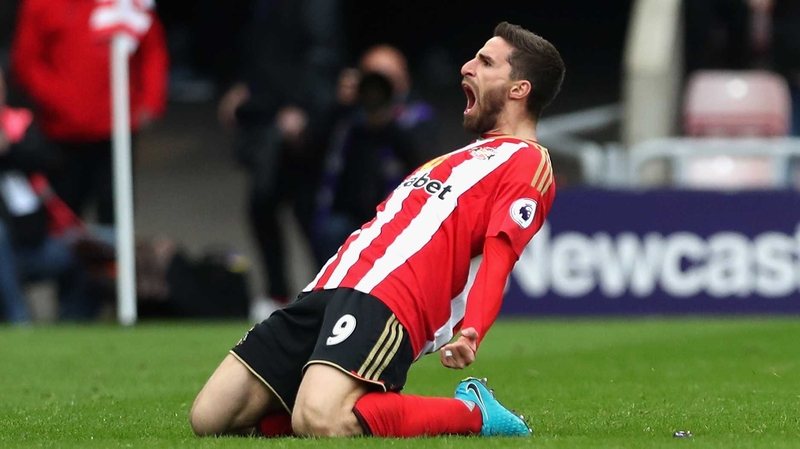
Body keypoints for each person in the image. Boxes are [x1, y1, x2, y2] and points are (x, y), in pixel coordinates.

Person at [190, 22, 564, 439]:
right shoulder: (460, 156)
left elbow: (500, 251)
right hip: (330, 284)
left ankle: (472, 414)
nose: (466, 67)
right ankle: (313, 407)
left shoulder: (530, 162)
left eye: (485, 62)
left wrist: (473, 328)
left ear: (519, 89)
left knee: (322, 419)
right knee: (210, 420)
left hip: (391, 297)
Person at [217, 0, 346, 307]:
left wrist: (305, 108)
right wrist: (244, 87)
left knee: (309, 211)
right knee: (262, 205)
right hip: (269, 113)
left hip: (302, 123)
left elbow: (323, 54)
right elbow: (262, 49)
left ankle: (330, 294)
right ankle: (279, 292)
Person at [10, 0, 168, 226]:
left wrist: (152, 99)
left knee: (117, 211)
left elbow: (152, 47)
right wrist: (62, 100)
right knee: (65, 214)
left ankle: (115, 261)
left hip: (117, 128)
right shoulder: (40, 4)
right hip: (62, 133)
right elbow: (26, 63)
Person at [314, 45, 439, 264]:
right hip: (348, 216)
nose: (376, 89)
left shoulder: (418, 116)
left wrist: (388, 122)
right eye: (371, 78)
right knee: (331, 231)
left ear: (404, 80)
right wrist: (338, 105)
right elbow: (312, 149)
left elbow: (423, 163)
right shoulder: (348, 118)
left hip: (400, 218)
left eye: (386, 78)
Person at [0, 67, 95, 323]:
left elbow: (50, 159)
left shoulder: (18, 123)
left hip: (31, 246)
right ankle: (19, 322)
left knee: (84, 252)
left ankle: (75, 329)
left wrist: (9, 148)